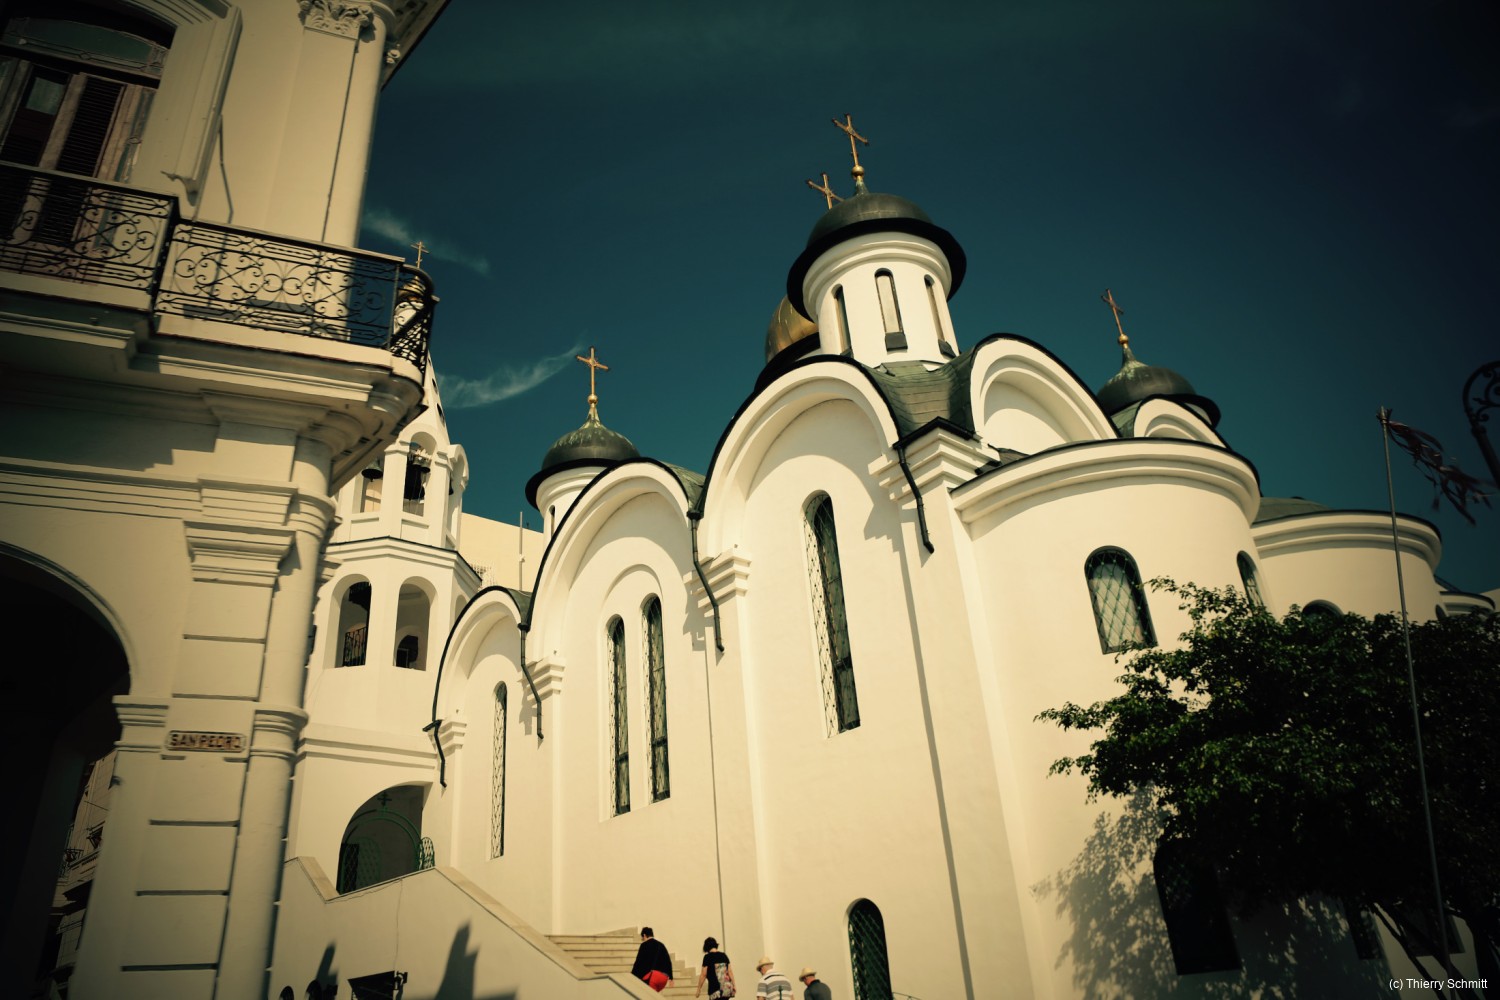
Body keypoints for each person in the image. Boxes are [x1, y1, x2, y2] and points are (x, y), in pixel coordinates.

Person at [631, 926, 674, 993]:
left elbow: (638, 962)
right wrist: (671, 978)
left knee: (648, 995)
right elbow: (668, 961)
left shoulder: (644, 945)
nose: (643, 940)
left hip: (653, 976)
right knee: (653, 995)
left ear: (644, 935)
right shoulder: (661, 945)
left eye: (642, 938)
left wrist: (632, 976)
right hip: (664, 978)